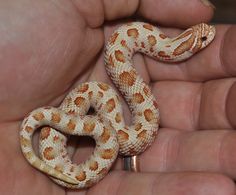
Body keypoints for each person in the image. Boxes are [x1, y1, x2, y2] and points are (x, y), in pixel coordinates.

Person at [0, 0, 235, 194]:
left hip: (102, 124)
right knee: (96, 93)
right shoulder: (130, 36)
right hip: (89, 123)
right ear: (185, 46)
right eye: (201, 38)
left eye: (201, 38)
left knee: (100, 97)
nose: (207, 35)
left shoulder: (139, 36)